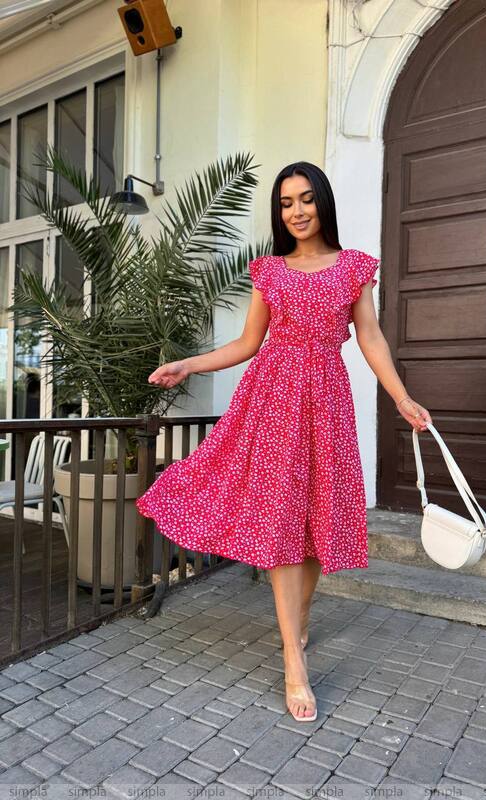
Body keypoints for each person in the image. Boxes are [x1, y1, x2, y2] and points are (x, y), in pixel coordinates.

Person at [136, 161, 432, 723]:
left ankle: (295, 625)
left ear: (323, 202)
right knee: (279, 522)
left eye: (305, 199)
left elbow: (370, 338)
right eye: (285, 203)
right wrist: (190, 365)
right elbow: (249, 342)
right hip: (272, 402)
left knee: (317, 525)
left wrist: (400, 397)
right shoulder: (268, 270)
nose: (295, 211)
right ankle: (294, 658)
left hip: (327, 402)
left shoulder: (353, 268)